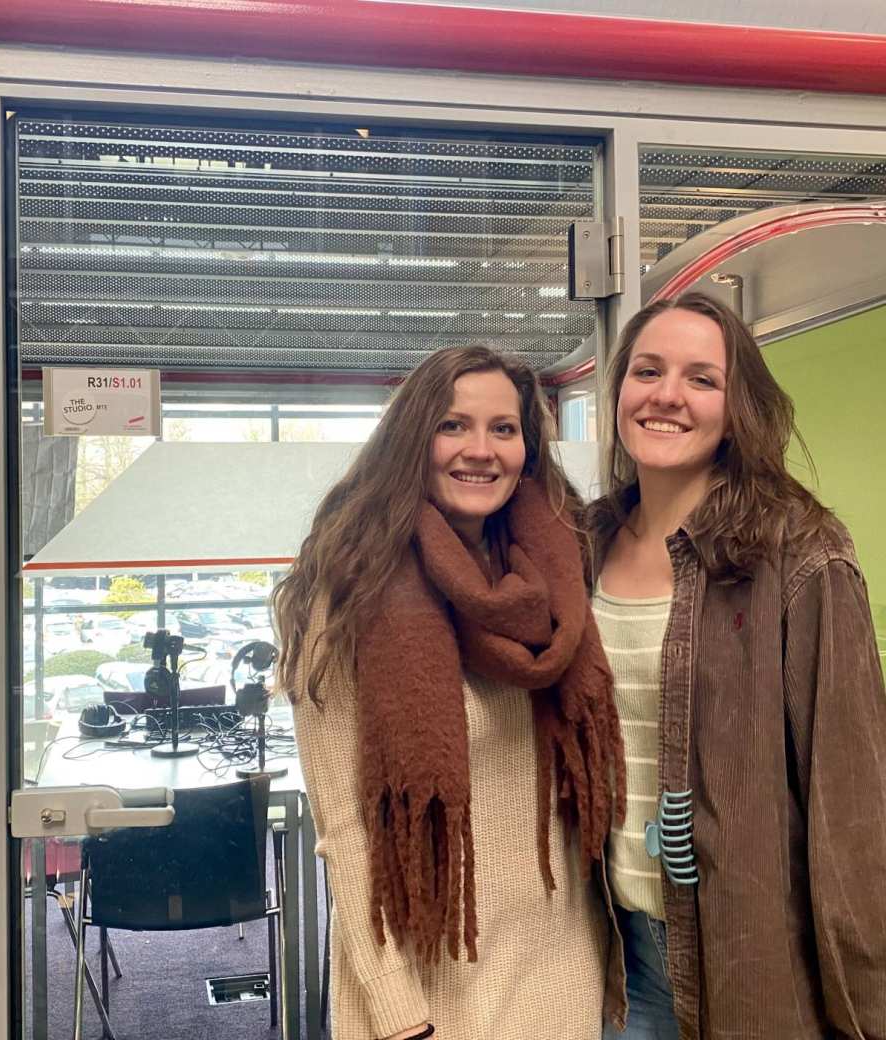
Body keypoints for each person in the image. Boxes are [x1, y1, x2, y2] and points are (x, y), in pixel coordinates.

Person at [272, 345, 627, 1040]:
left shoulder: (562, 572)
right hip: (426, 981)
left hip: (561, 963)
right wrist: (398, 1011)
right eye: (453, 425)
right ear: (413, 439)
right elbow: (343, 828)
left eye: (503, 428)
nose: (480, 450)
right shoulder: (346, 588)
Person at [588, 291, 886, 1040]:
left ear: (737, 405)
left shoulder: (801, 554)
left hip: (751, 960)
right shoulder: (581, 543)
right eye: (647, 371)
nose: (666, 396)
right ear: (619, 388)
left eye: (701, 378)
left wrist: (868, 1003)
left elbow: (850, 804)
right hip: (610, 952)